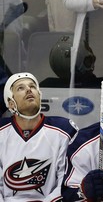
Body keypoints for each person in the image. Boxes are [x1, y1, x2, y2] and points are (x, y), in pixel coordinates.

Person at [0, 72, 79, 201]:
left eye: (33, 86)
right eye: (21, 88)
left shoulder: (64, 130)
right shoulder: (1, 133)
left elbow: (65, 183)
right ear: (10, 103)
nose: (29, 90)